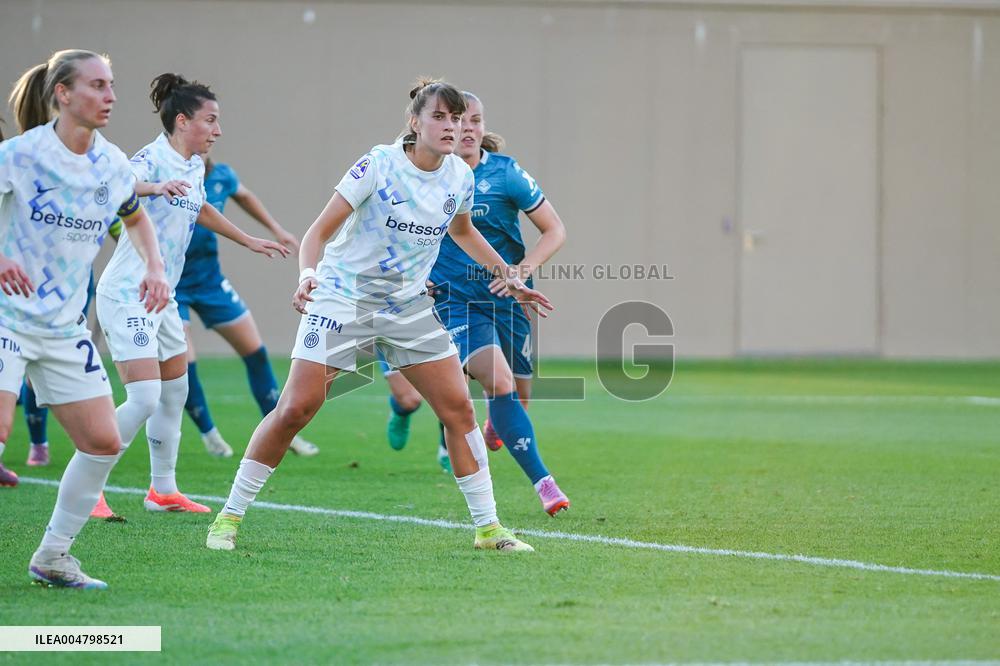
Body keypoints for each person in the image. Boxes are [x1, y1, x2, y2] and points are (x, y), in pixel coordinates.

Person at [205, 78, 551, 553]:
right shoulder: (378, 164)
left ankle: (489, 528)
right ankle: (229, 517)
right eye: (440, 117)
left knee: (459, 410)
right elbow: (317, 232)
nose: (451, 127)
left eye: (457, 118)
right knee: (295, 410)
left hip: (408, 307)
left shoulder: (459, 176)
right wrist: (307, 275)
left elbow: (464, 231)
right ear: (415, 122)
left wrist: (509, 274)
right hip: (343, 300)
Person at [0, 50, 171, 588]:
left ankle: (53, 556)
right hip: (5, 317)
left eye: (112, 85)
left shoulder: (114, 164)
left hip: (62, 327)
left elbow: (136, 217)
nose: (110, 96)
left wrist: (155, 267)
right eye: (97, 85)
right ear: (63, 94)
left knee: (102, 441)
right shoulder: (20, 155)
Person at [94, 73, 288, 517]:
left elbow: (200, 207)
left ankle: (162, 491)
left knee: (174, 391)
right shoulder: (152, 157)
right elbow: (113, 188)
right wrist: (153, 187)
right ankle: (91, 485)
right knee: (143, 397)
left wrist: (250, 240)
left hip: (164, 295)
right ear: (183, 121)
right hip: (129, 292)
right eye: (211, 120)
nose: (218, 131)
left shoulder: (194, 165)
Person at [384, 91, 571, 516]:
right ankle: (544, 483)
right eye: (458, 120)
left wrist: (521, 271)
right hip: (455, 301)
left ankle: (490, 421)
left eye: (475, 121)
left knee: (517, 397)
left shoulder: (505, 175)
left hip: (510, 297)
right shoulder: (426, 175)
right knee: (498, 384)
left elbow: (555, 230)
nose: (467, 129)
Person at [177, 157, 319, 458]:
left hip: (209, 281)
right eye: (209, 122)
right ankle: (209, 433)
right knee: (184, 364)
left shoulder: (222, 175)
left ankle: (282, 430)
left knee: (255, 351)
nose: (214, 132)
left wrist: (275, 229)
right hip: (171, 283)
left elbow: (244, 196)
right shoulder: (169, 171)